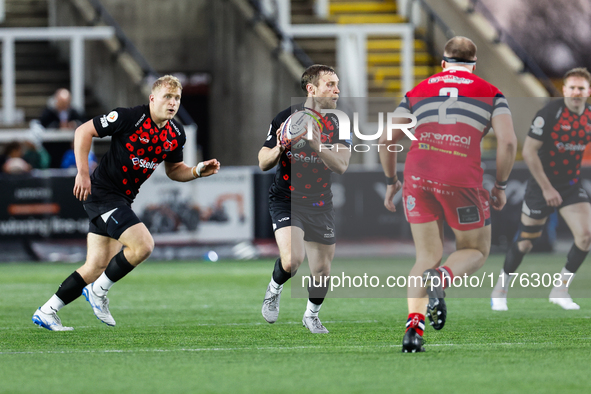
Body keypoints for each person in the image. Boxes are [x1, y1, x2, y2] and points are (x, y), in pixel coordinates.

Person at [32, 75, 220, 331]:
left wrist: (197, 170)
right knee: (143, 245)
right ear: (152, 98)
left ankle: (47, 310)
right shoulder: (130, 117)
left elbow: (174, 170)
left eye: (177, 98)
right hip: (102, 193)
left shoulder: (176, 133)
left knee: (96, 266)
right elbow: (83, 130)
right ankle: (98, 292)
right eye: (167, 96)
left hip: (122, 199)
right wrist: (83, 172)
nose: (173, 102)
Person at [379, 37, 517, 352]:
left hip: (418, 174)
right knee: (476, 251)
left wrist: (391, 180)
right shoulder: (491, 92)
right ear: (474, 65)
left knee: (425, 256)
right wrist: (501, 186)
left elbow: (387, 139)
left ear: (443, 63)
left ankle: (413, 331)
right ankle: (441, 278)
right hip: (460, 179)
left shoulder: (417, 91)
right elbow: (508, 143)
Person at [259, 64, 351, 333]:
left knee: (322, 270)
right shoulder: (286, 117)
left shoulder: (339, 121)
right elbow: (263, 161)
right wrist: (280, 147)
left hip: (320, 202)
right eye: (330, 85)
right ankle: (274, 289)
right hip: (286, 198)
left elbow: (341, 165)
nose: (337, 90)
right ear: (311, 89)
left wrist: (316, 144)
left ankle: (311, 315)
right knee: (292, 261)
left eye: (337, 84)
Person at [491, 67, 591, 311]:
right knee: (526, 242)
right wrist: (547, 189)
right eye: (572, 88)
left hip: (570, 185)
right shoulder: (550, 113)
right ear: (564, 89)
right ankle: (501, 288)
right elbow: (528, 152)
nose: (576, 92)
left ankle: (560, 290)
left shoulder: (588, 116)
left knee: (586, 236)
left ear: (588, 91)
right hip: (541, 186)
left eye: (581, 88)